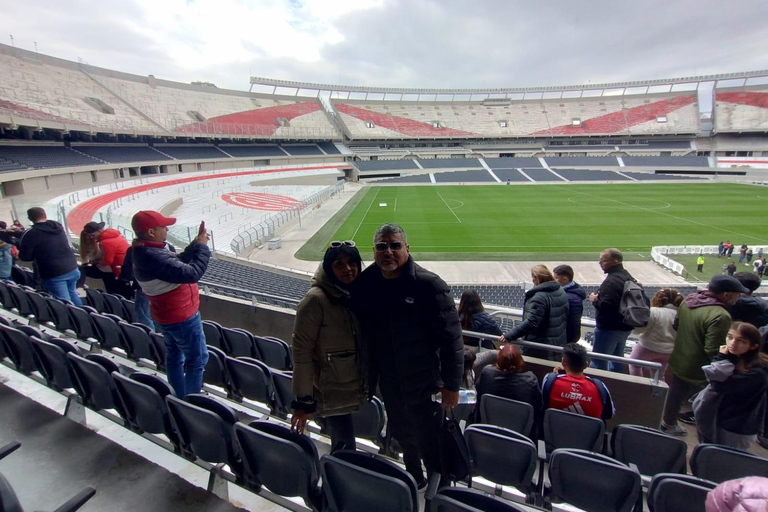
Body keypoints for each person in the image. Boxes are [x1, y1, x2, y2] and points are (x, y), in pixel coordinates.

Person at [351, 223, 464, 488]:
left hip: (425, 383)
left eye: (394, 245)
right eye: (382, 246)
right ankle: (414, 477)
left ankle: (440, 490)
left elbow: (452, 340)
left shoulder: (429, 285)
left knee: (431, 441)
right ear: (374, 250)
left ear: (407, 248)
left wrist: (452, 385)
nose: (388, 251)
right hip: (389, 382)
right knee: (403, 435)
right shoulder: (367, 283)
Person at [290, 242, 366, 453]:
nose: (347, 268)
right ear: (328, 267)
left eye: (351, 262)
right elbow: (301, 353)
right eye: (339, 264)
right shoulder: (315, 300)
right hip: (331, 387)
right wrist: (303, 401)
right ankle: (341, 481)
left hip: (351, 383)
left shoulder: (353, 292)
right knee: (344, 446)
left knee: (345, 441)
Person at [131, 210, 210, 398]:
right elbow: (192, 273)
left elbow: (176, 263)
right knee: (197, 359)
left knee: (175, 356)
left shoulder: (147, 249)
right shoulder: (152, 254)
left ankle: (178, 395)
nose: (167, 229)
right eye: (163, 227)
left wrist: (195, 244)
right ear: (151, 232)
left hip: (166, 315)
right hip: (180, 316)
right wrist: (202, 248)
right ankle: (190, 404)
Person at [661, 275, 747, 436]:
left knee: (675, 395)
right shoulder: (720, 315)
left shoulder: (689, 301)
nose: (740, 297)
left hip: (680, 359)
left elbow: (676, 325)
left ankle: (668, 424)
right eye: (738, 293)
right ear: (726, 295)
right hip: (701, 368)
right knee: (709, 404)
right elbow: (714, 349)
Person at [693, 322, 768, 449]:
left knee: (725, 461)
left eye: (741, 341)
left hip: (737, 426)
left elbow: (720, 386)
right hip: (720, 416)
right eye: (730, 337)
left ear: (753, 346)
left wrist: (720, 358)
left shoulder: (758, 371)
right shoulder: (736, 358)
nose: (733, 343)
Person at [498, 265, 568, 361]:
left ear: (537, 278)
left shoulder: (540, 297)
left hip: (541, 348)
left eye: (533, 277)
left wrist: (509, 335)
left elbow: (532, 322)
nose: (532, 280)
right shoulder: (560, 290)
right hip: (556, 345)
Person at [18, 207, 82, 306]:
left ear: (30, 218)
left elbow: (25, 256)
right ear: (45, 215)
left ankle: (74, 319)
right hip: (72, 267)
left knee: (64, 301)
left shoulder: (30, 234)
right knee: (73, 293)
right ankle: (82, 315)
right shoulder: (57, 226)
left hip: (54, 272)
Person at [588, 248, 638, 372]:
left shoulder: (612, 281)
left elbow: (606, 306)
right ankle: (616, 387)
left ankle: (597, 388)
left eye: (603, 261)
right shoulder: (627, 276)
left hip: (609, 328)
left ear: (615, 262)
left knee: (598, 361)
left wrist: (594, 299)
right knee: (617, 360)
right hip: (624, 326)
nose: (600, 264)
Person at [542, 343, 615, 421]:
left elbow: (543, 404)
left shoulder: (549, 381)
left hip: (553, 431)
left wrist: (554, 378)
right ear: (586, 365)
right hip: (588, 433)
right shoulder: (600, 387)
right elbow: (610, 414)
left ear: (563, 362)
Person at [475, 344, 543, 425]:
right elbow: (539, 406)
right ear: (520, 362)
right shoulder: (531, 380)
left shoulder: (487, 374)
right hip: (519, 434)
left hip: (488, 429)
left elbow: (477, 396)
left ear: (498, 361)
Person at [628, 288, 683, 381]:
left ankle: (638, 387)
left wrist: (632, 330)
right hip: (669, 351)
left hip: (647, 347)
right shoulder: (681, 314)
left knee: (634, 364)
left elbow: (640, 330)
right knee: (659, 374)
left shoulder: (654, 311)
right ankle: (658, 393)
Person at [79, 221, 131, 298]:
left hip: (116, 270)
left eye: (92, 235)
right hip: (120, 269)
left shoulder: (105, 242)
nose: (92, 237)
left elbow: (108, 261)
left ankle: (81, 293)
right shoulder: (113, 237)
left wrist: (96, 262)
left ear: (99, 231)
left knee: (115, 293)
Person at [552, 264, 586, 344]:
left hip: (565, 339)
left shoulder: (572, 299)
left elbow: (573, 323)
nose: (553, 281)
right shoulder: (565, 293)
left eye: (556, 278)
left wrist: (570, 341)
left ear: (565, 279)